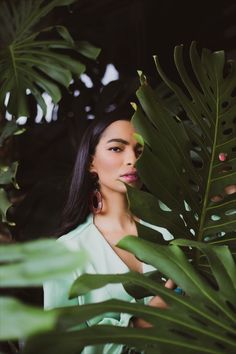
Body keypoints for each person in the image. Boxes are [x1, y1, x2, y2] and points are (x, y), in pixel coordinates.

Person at [43, 111, 174, 354]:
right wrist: (140, 324)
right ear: (91, 161)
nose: (131, 159)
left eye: (139, 150)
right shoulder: (65, 252)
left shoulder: (181, 220)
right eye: (117, 149)